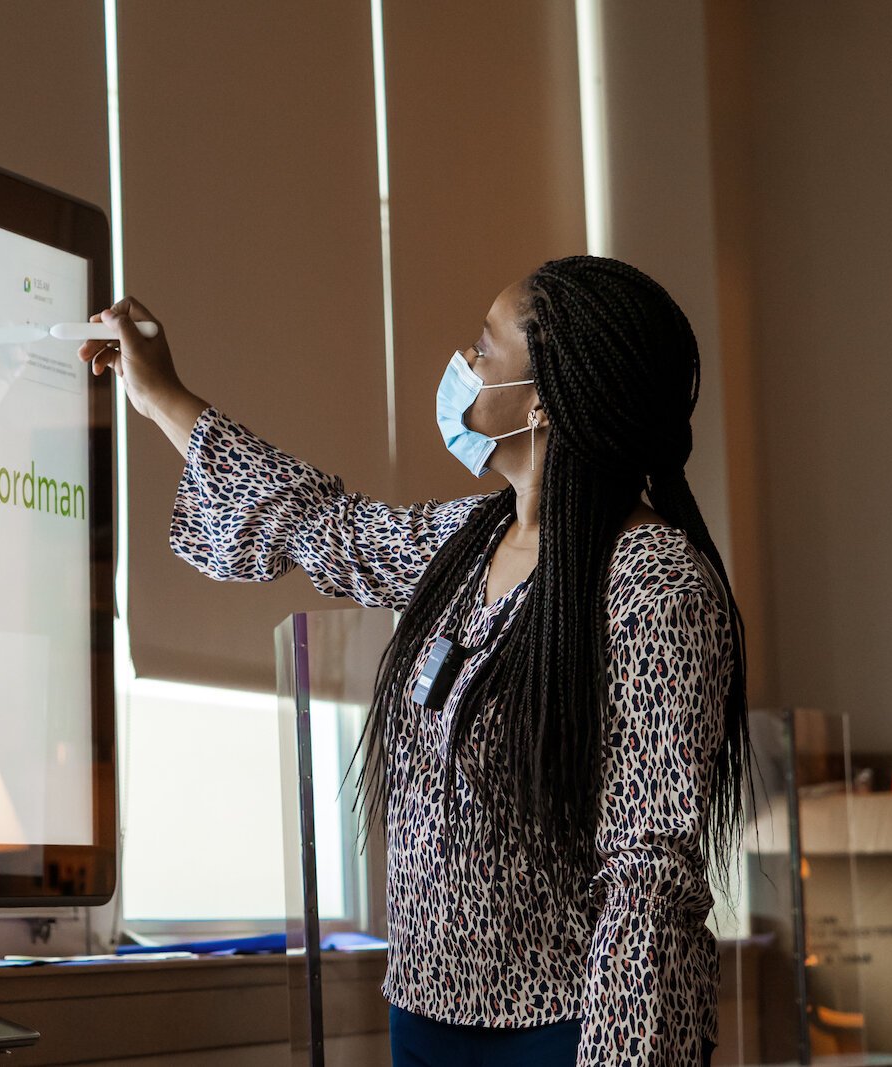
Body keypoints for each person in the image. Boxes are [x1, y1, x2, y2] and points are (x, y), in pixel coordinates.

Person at [78, 255, 749, 1066]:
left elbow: (649, 879)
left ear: (542, 401)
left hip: (569, 1029)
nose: (462, 364)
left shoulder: (656, 582)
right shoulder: (469, 541)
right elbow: (321, 523)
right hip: (422, 1013)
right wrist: (159, 395)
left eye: (483, 345)